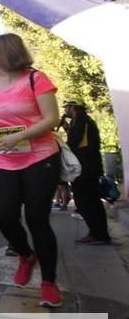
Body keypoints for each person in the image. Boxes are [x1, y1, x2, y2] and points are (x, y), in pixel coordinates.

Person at [0, 33, 63, 308]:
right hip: (3, 160)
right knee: (3, 215)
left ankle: (49, 283)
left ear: (7, 51)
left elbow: (52, 119)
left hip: (40, 157)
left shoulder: (36, 79)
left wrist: (17, 136)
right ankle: (26, 255)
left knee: (38, 219)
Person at [63, 101, 111, 244]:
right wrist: (67, 128)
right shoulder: (83, 121)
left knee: (86, 201)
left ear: (72, 107)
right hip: (89, 167)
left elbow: (74, 143)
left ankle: (98, 234)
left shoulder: (81, 121)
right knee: (89, 201)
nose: (65, 110)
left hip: (86, 169)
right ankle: (98, 233)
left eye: (66, 107)